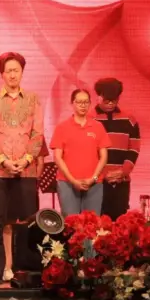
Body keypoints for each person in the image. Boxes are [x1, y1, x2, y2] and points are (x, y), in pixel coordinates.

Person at [0, 52, 44, 285]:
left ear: (22, 72)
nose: (12, 75)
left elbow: (37, 133)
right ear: (2, 74)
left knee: (29, 221)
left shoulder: (33, 100)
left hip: (26, 170)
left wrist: (26, 159)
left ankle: (27, 270)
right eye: (8, 71)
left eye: (16, 70)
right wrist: (4, 161)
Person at [51, 88, 109, 217]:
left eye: (86, 102)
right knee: (71, 222)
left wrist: (93, 178)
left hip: (94, 184)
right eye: (79, 102)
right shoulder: (62, 127)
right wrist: (73, 180)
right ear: (72, 103)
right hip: (67, 183)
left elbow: (104, 156)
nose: (83, 105)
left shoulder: (98, 127)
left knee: (91, 222)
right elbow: (58, 157)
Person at [93, 77, 140, 219]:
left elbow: (134, 149)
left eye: (114, 100)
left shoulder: (129, 120)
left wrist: (123, 172)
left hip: (121, 181)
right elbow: (86, 152)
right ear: (98, 96)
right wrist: (102, 174)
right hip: (96, 182)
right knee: (95, 222)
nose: (110, 104)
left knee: (120, 223)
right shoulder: (89, 119)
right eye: (106, 100)